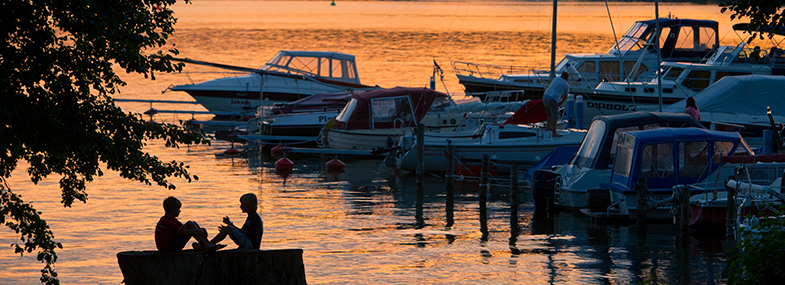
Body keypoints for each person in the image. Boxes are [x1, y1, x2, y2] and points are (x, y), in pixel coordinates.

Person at [155, 196, 225, 253]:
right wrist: (199, 231)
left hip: (171, 245)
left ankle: (207, 245)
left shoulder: (172, 219)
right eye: (178, 209)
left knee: (192, 224)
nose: (180, 211)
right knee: (190, 224)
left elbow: (184, 227)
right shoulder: (166, 221)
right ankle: (206, 246)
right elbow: (182, 231)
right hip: (168, 248)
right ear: (173, 210)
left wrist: (200, 230)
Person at [542, 72, 570, 137]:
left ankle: (548, 126)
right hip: (552, 98)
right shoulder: (566, 85)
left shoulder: (556, 79)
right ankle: (554, 133)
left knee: (549, 113)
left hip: (545, 96)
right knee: (555, 116)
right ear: (567, 78)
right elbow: (565, 95)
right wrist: (561, 101)